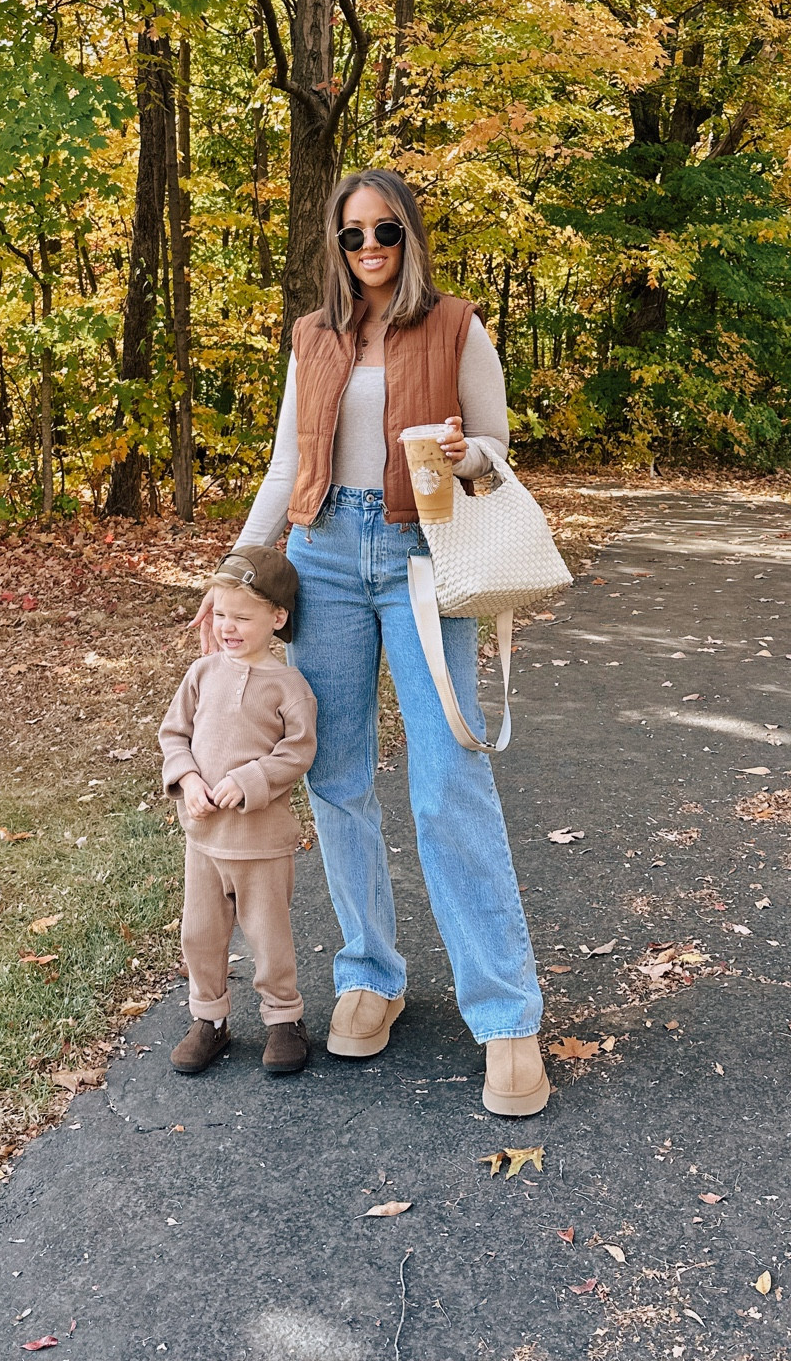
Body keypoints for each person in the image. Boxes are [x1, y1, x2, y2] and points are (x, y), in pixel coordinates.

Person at [199, 168, 548, 1117]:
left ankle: (506, 1016)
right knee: (335, 774)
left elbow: (497, 450)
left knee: (447, 781)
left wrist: (465, 453)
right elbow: (286, 466)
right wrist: (236, 572)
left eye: (384, 231)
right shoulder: (314, 336)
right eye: (352, 235)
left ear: (409, 235)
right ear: (335, 243)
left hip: (422, 559)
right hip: (320, 560)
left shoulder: (458, 326)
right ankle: (370, 974)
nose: (368, 250)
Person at [160, 546, 317, 1077]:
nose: (228, 627)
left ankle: (283, 1018)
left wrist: (247, 781)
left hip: (261, 842)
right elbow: (174, 734)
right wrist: (188, 778)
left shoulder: (289, 687)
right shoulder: (202, 673)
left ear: (277, 619)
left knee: (268, 935)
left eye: (243, 618)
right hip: (203, 838)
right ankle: (209, 1018)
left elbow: (297, 752)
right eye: (221, 614)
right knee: (200, 934)